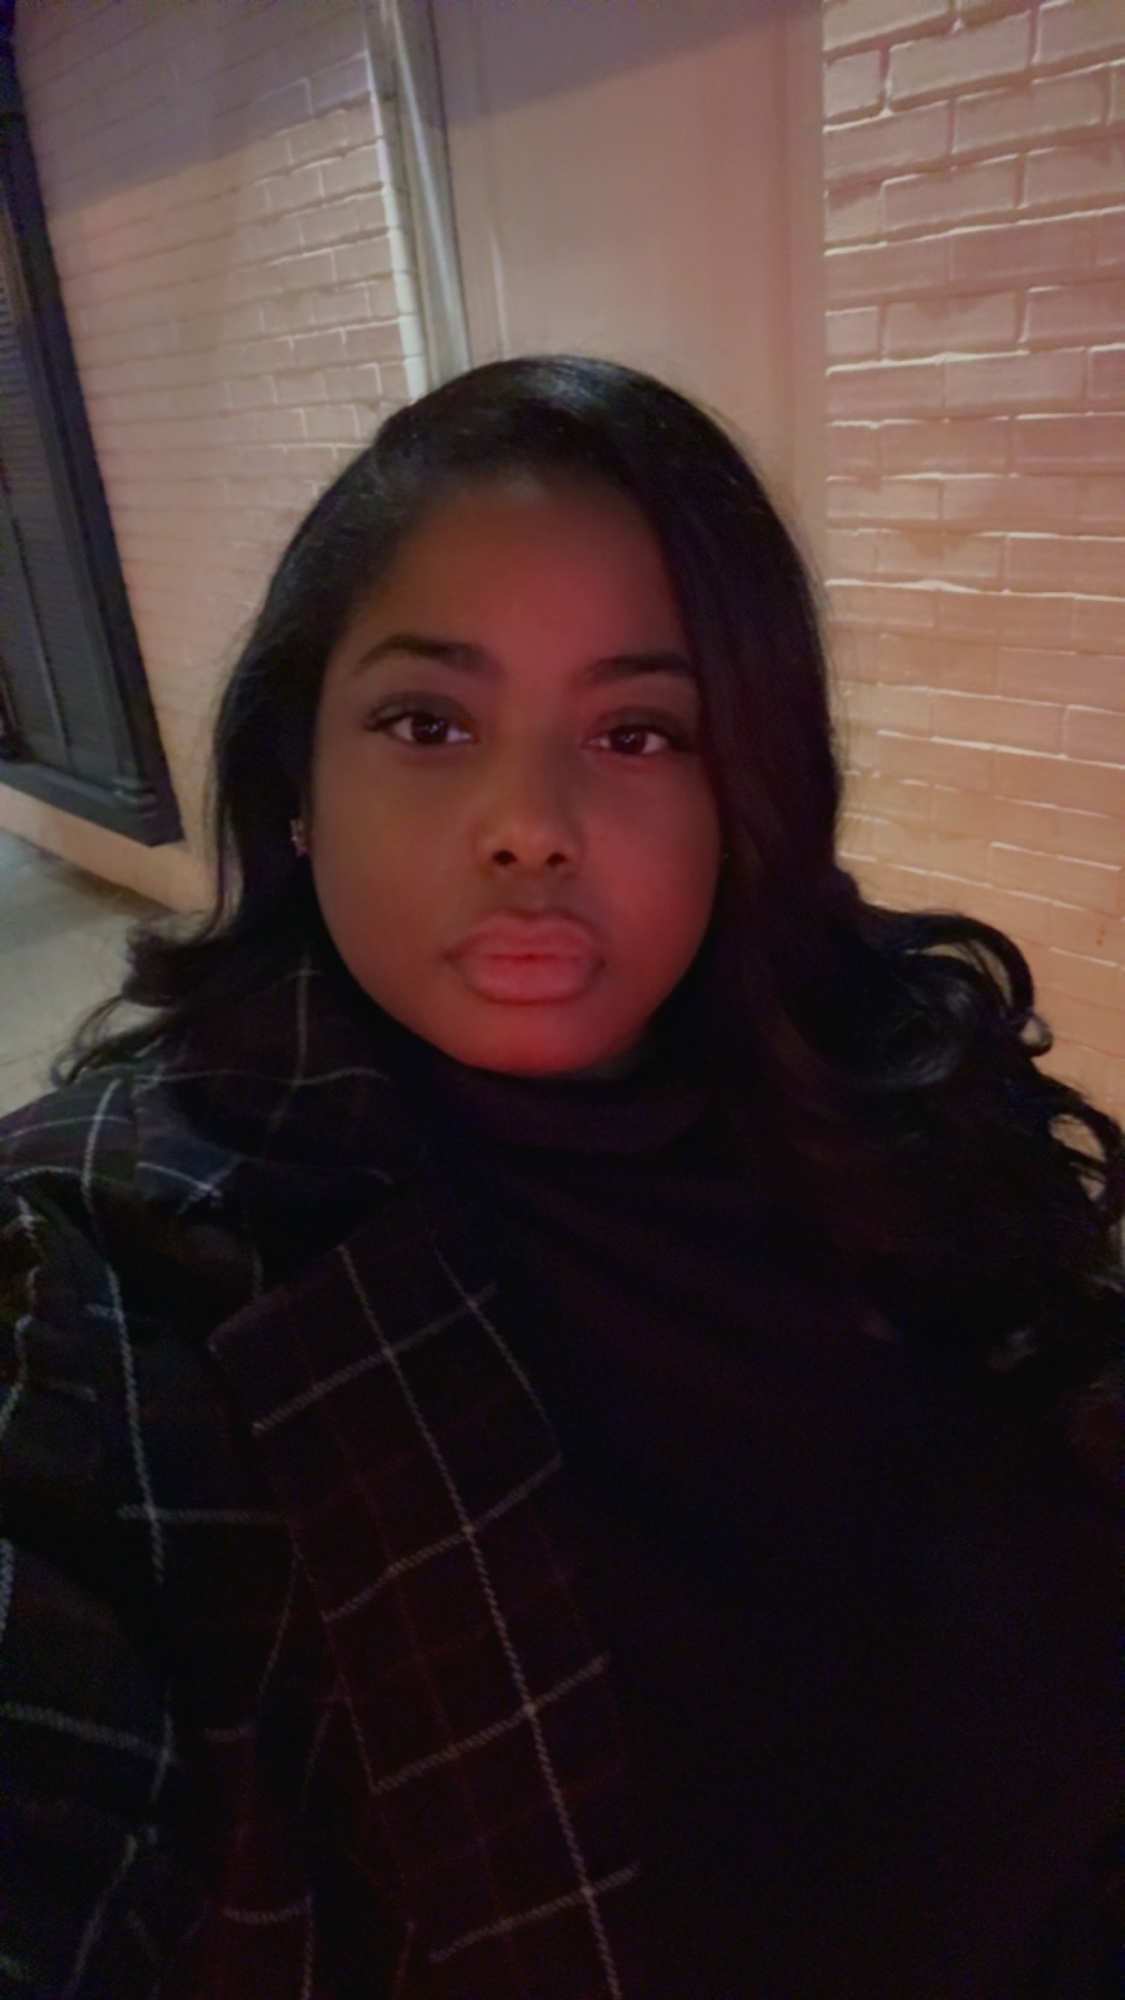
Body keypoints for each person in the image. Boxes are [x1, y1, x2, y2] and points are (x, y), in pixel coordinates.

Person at [0, 356, 1120, 2000]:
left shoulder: (888, 1082)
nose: (528, 825)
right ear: (295, 784)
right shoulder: (112, 1276)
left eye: (636, 730)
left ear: (745, 792)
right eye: (428, 724)